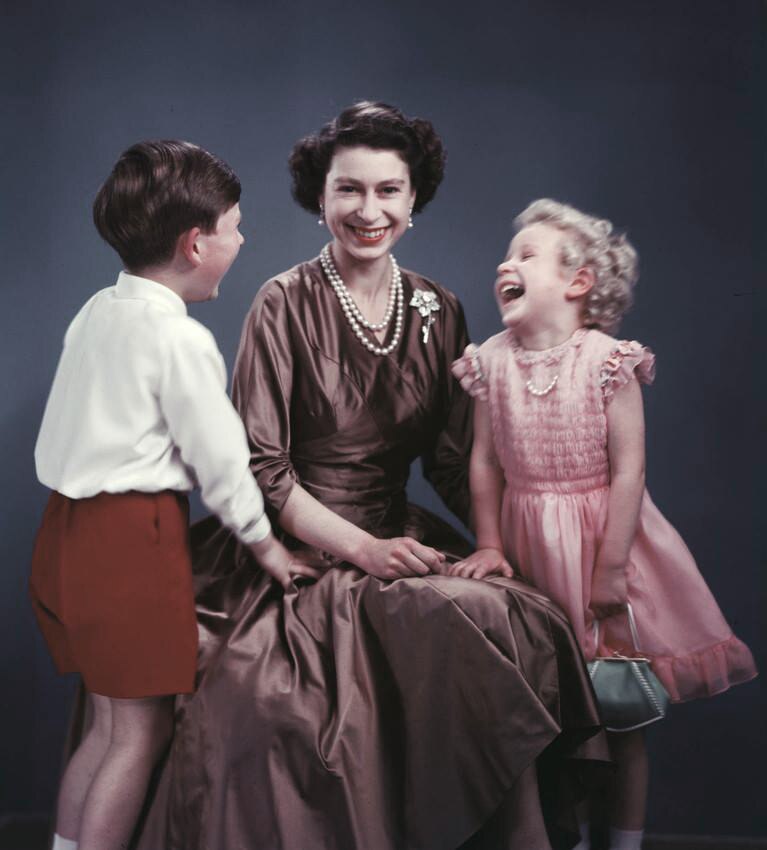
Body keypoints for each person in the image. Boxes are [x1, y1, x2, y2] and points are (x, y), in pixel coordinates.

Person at [136, 104, 606, 850]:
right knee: (279, 696)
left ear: (413, 202)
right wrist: (361, 551)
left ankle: (524, 839)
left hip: (399, 535)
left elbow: (454, 461)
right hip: (301, 548)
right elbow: (263, 471)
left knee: (519, 617)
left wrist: (529, 535)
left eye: (389, 191)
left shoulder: (438, 307)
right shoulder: (282, 302)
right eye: (349, 190)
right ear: (319, 200)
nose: (369, 210)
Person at [30, 140, 320, 850]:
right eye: (235, 226)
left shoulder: (98, 310)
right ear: (195, 243)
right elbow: (222, 461)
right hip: (131, 539)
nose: (242, 239)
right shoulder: (178, 339)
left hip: (65, 532)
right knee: (141, 730)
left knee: (106, 725)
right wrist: (267, 547)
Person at [450, 198, 757, 850]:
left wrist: (611, 565)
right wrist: (490, 543)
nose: (508, 261)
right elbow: (483, 464)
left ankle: (622, 842)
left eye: (528, 254)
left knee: (622, 715)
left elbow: (629, 470)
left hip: (600, 548)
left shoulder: (608, 361)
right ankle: (570, 836)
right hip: (531, 548)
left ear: (578, 281)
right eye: (509, 254)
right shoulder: (491, 363)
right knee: (547, 710)